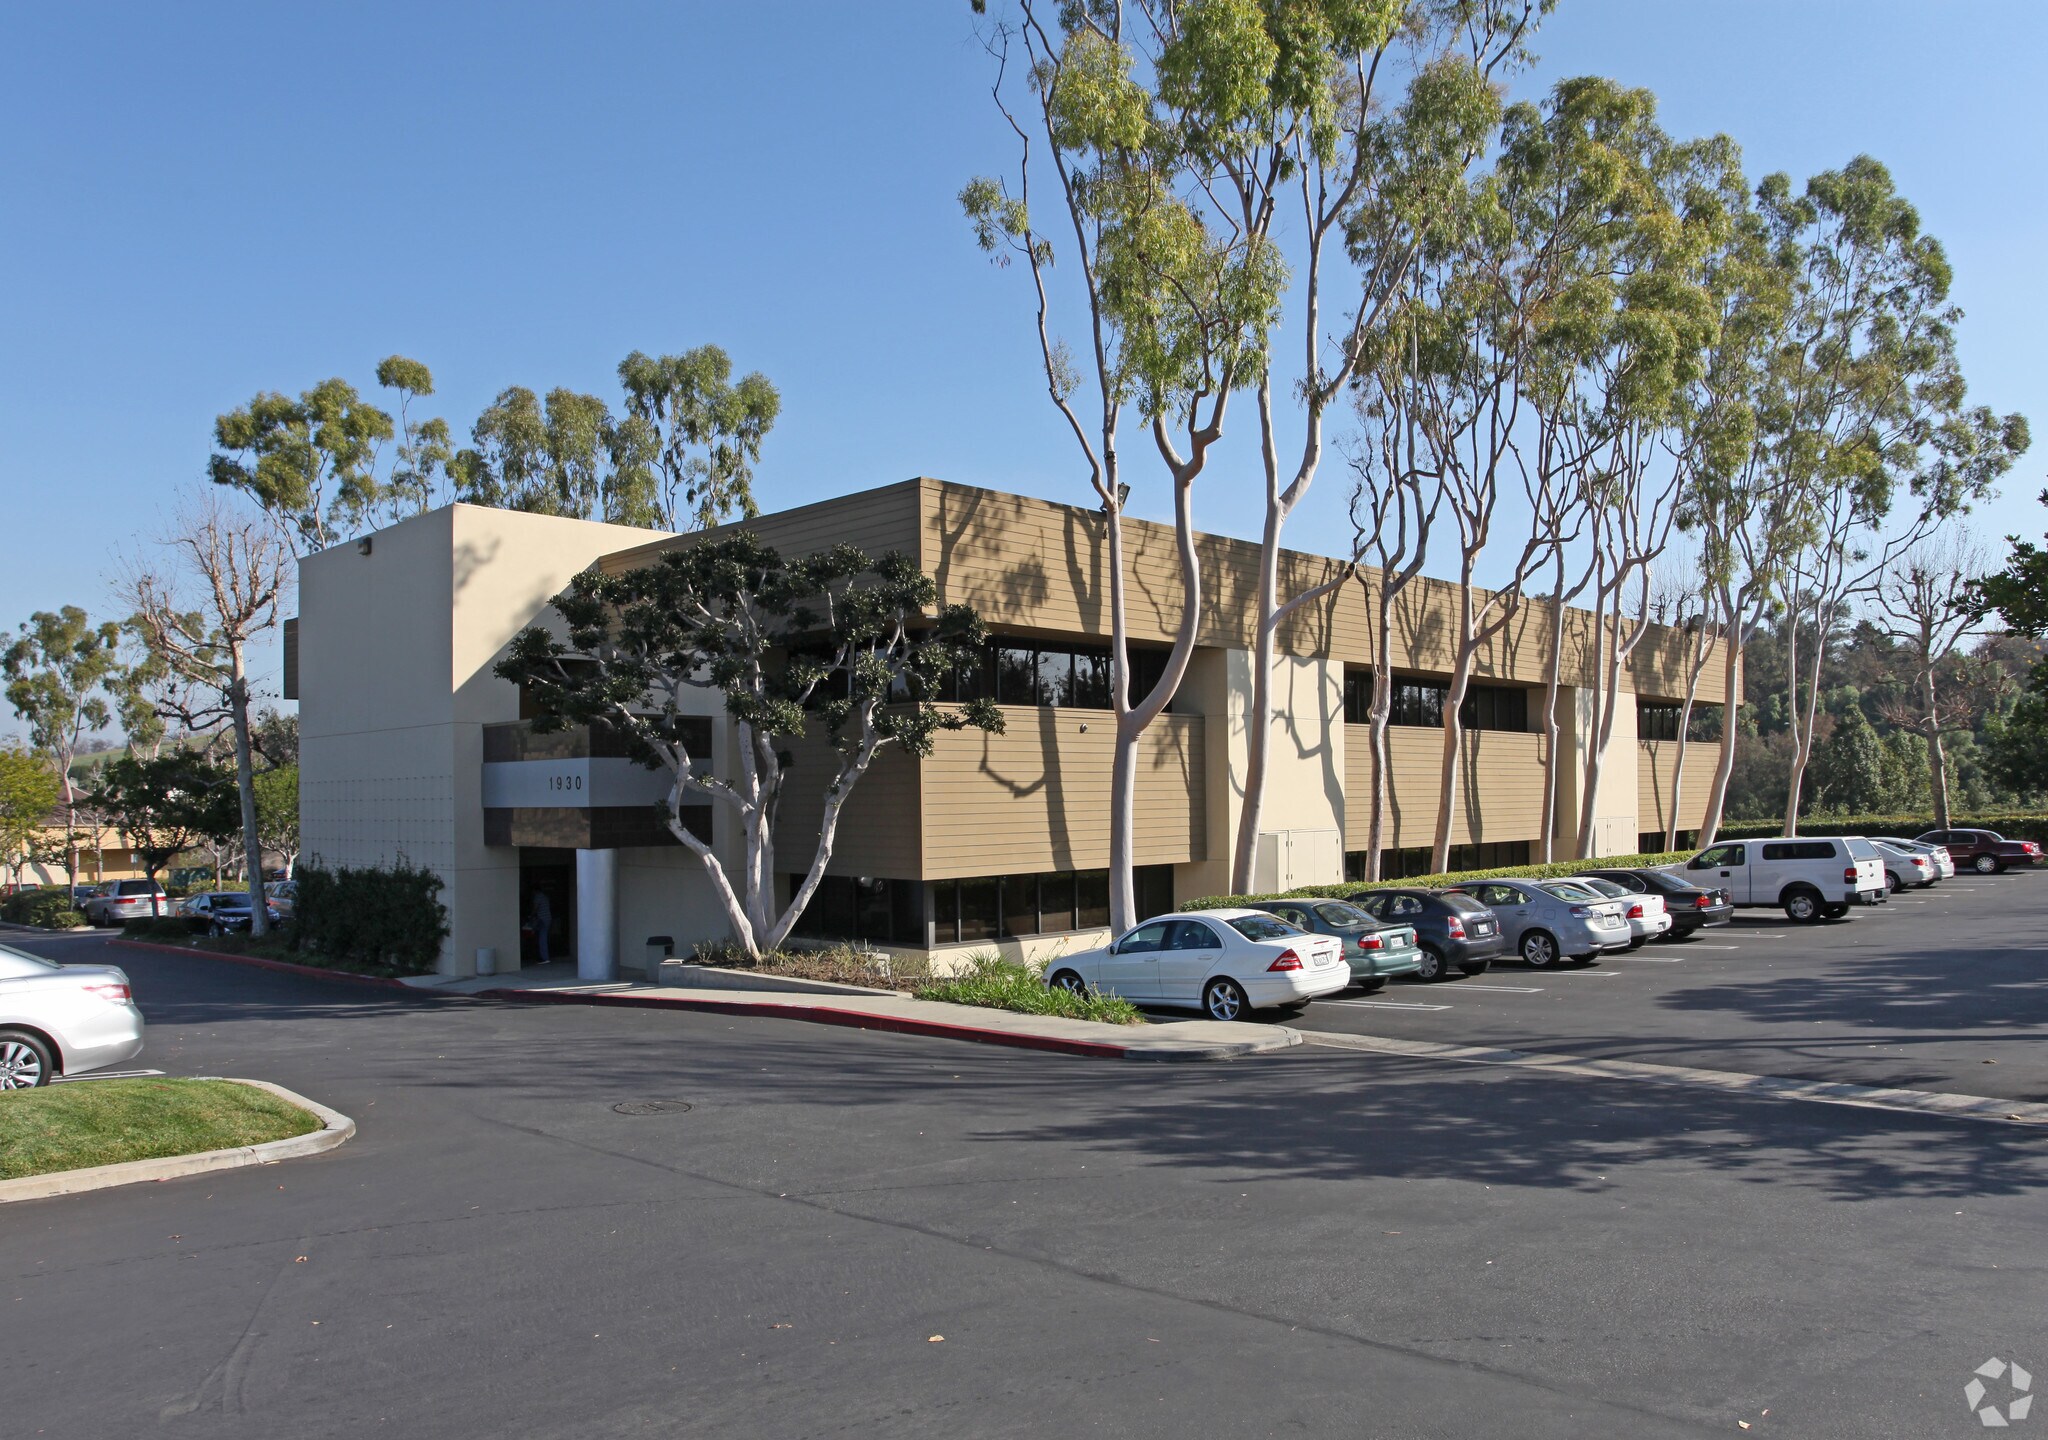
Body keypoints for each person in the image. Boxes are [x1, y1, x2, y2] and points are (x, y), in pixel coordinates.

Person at [529, 889, 553, 965]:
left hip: (542, 919)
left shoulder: (538, 897)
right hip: (547, 918)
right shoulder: (545, 896)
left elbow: (535, 908)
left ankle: (544, 958)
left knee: (542, 939)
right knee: (543, 938)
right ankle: (544, 957)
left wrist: (531, 915)